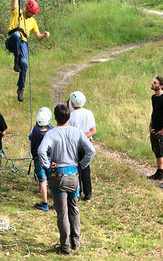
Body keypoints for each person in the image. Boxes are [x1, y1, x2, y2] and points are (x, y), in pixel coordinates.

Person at [38, 104, 95, 255]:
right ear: (68, 116)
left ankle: (65, 247)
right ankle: (76, 242)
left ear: (55, 118)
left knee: (62, 213)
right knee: (74, 210)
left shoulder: (51, 133)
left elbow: (41, 150)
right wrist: (82, 165)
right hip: (74, 175)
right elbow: (91, 150)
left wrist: (48, 165)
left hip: (58, 176)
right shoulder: (76, 132)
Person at [5, 0, 50, 102]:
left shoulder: (33, 21)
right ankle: (16, 60)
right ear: (26, 8)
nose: (31, 15)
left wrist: (44, 35)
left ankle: (21, 88)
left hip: (23, 44)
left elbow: (38, 37)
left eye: (33, 14)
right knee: (17, 36)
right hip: (12, 41)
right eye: (30, 12)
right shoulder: (16, 11)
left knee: (25, 64)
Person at [67, 91, 96, 202]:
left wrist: (79, 138)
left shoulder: (72, 116)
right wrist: (84, 137)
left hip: (76, 145)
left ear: (72, 104)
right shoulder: (89, 113)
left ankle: (77, 193)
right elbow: (93, 130)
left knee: (76, 168)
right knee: (86, 168)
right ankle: (88, 194)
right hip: (87, 144)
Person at [29, 109, 54, 211]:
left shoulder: (35, 134)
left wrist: (31, 132)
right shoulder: (51, 133)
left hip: (38, 159)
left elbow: (31, 140)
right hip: (50, 158)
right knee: (51, 180)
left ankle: (45, 203)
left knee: (42, 181)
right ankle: (56, 203)